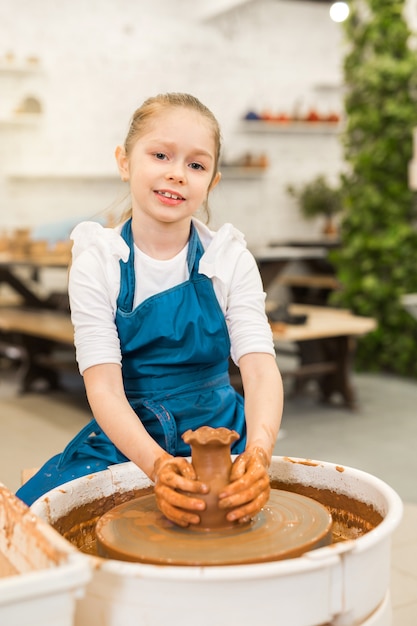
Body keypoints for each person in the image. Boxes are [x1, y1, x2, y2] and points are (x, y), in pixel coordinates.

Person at [16, 92, 284, 527]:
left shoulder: (229, 260)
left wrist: (259, 452)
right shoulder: (98, 262)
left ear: (212, 181)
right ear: (125, 162)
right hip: (130, 432)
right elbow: (103, 387)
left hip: (222, 428)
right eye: (161, 155)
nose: (177, 174)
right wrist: (157, 466)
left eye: (196, 165)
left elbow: (259, 369)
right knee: (29, 528)